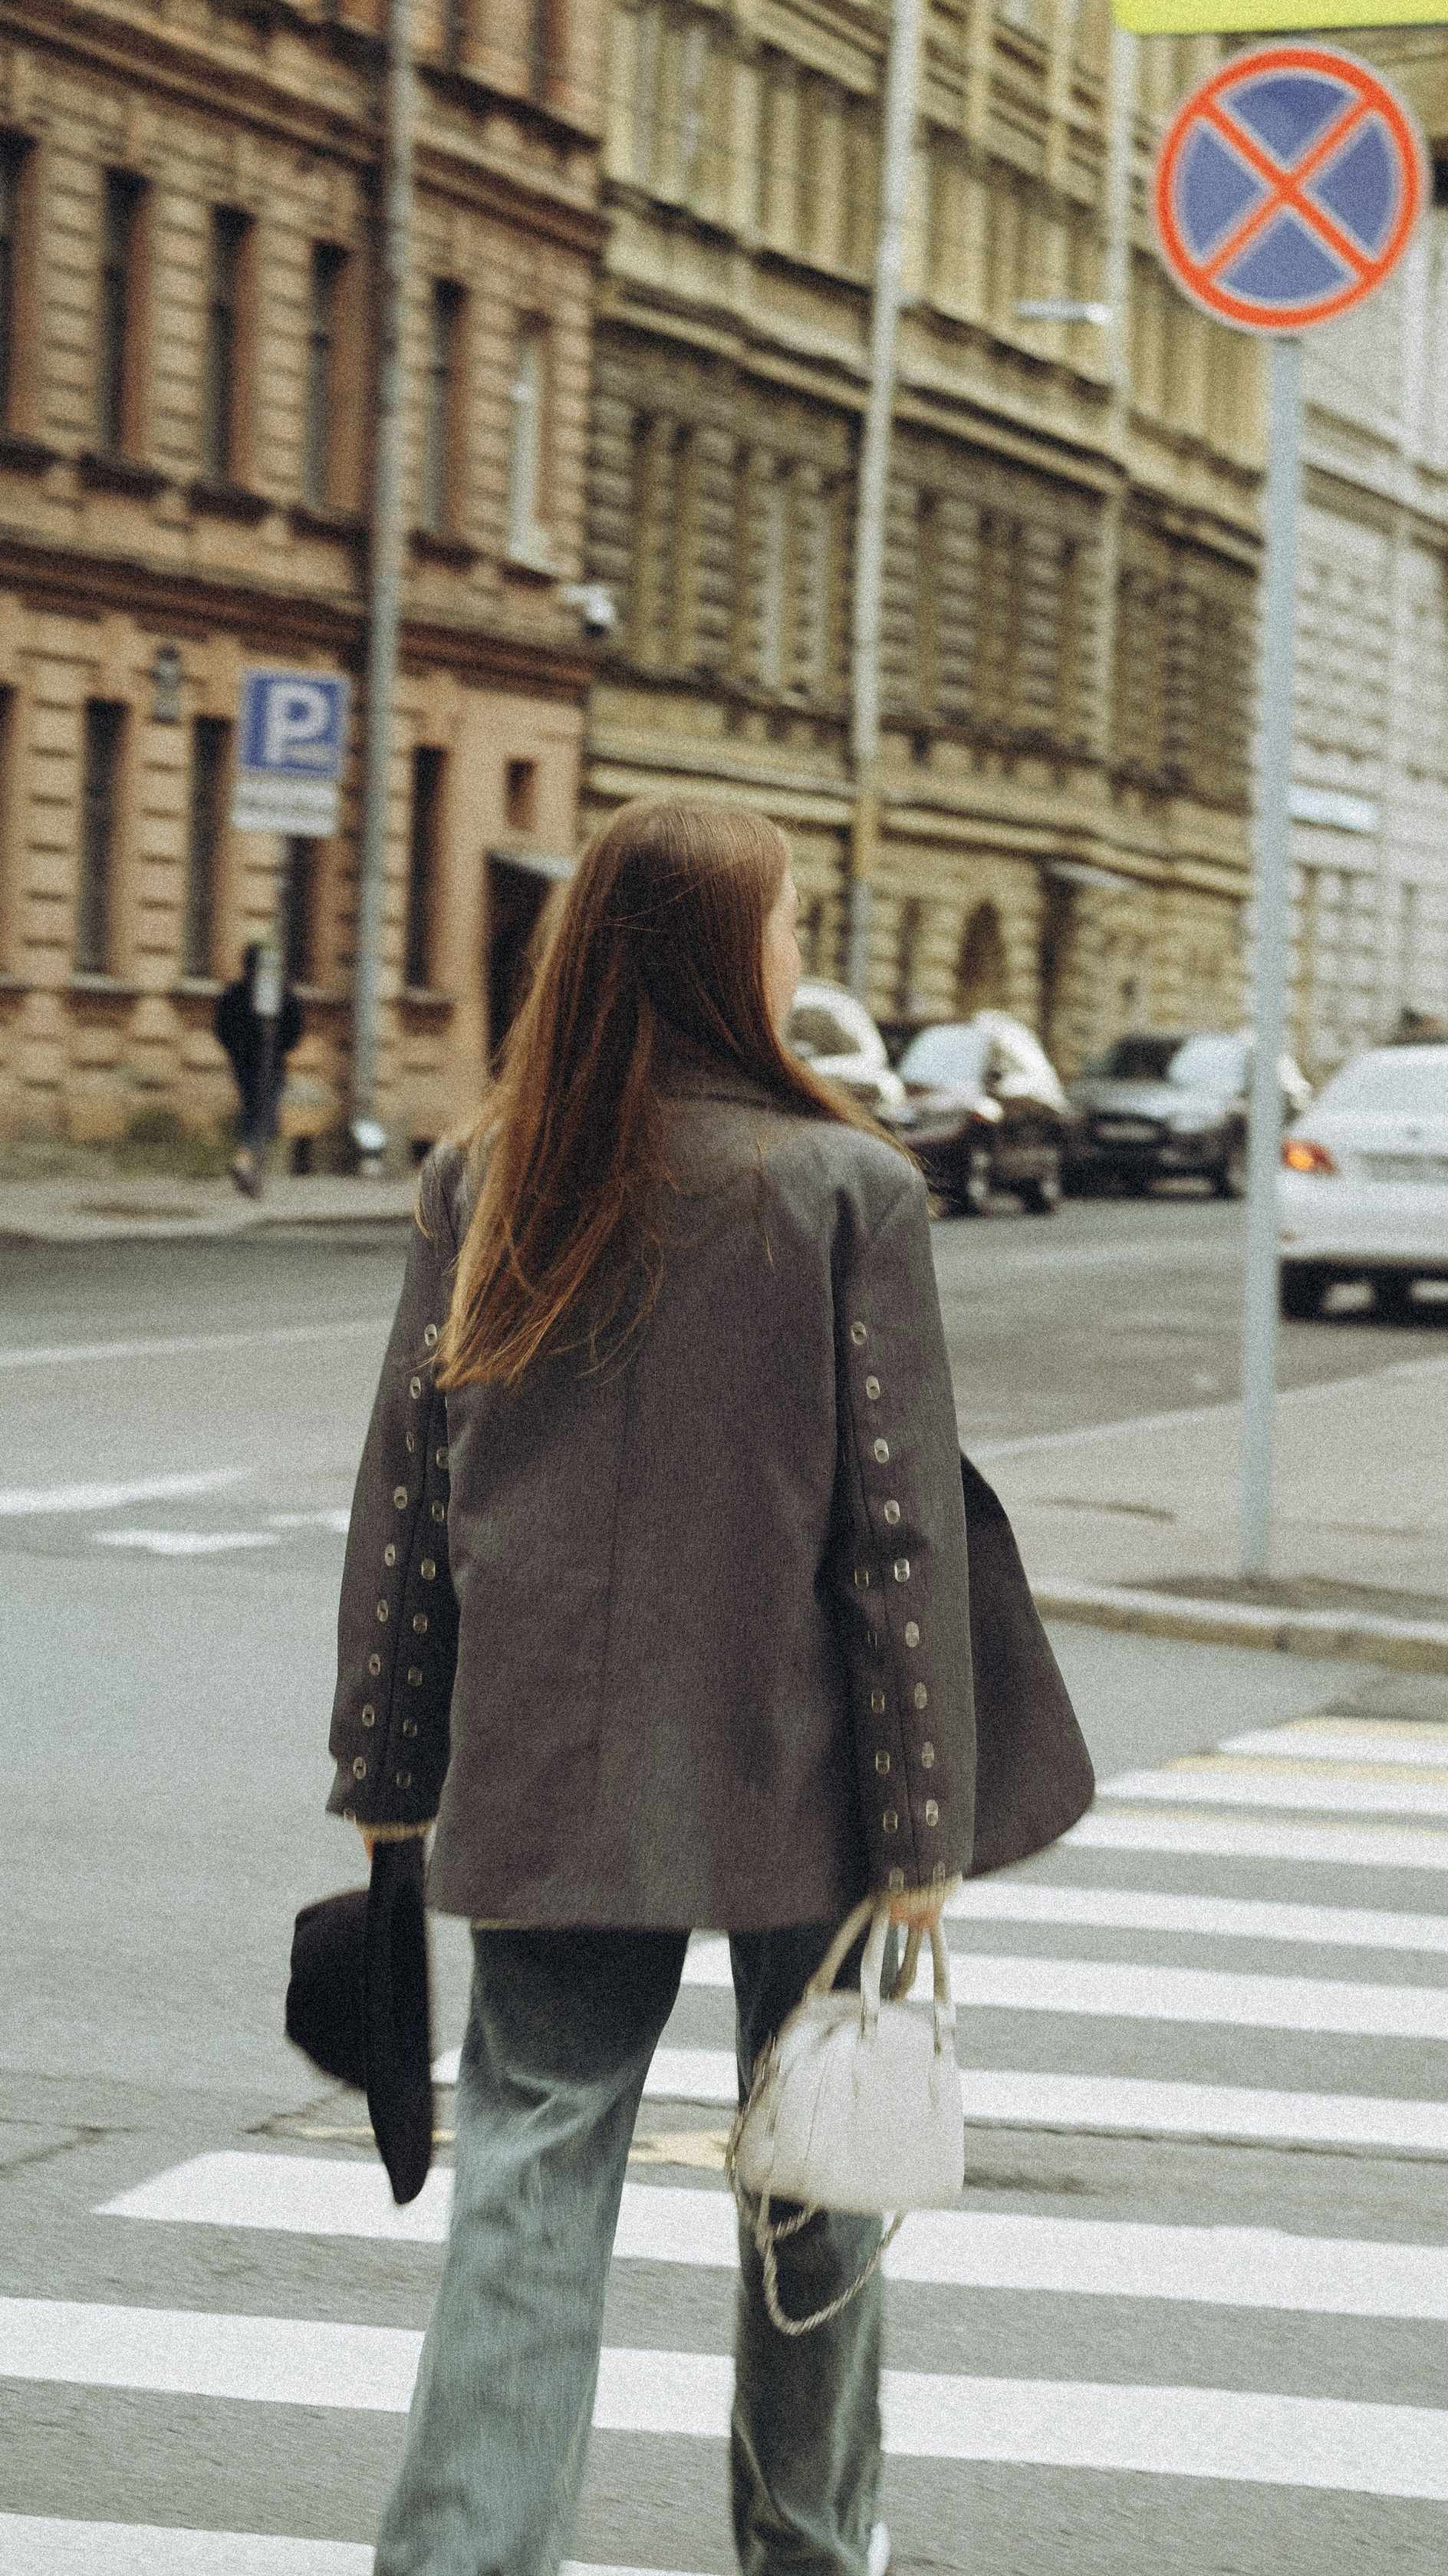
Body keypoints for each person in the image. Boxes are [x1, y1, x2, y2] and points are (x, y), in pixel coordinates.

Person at [328, 799, 1086, 2576]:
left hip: (540, 1763)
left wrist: (383, 1756)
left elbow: (405, 1494)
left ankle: (462, 2555)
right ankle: (809, 2541)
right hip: (801, 1767)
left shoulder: (488, 1175)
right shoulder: (844, 1189)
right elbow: (894, 1535)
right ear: (720, 956)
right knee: (817, 2178)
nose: (798, 957)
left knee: (529, 2165)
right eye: (787, 927)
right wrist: (924, 1830)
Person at [214, 940, 303, 1196]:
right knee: (265, 1114)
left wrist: (236, 1050)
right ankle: (246, 1161)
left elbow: (221, 1028)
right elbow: (295, 1029)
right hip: (270, 1065)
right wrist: (278, 1049)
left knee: (254, 1113)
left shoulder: (235, 993)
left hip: (243, 1065)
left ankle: (250, 1170)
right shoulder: (280, 994)